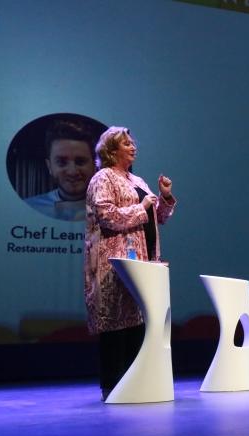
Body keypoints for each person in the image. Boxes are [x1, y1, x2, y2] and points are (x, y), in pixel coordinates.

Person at [84, 126, 176, 401]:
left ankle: (136, 382)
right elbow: (106, 215)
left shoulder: (138, 181)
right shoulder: (103, 178)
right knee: (114, 324)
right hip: (115, 262)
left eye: (132, 142)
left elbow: (159, 218)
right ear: (111, 150)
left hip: (144, 261)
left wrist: (165, 197)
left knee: (137, 321)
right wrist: (143, 207)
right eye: (126, 143)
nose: (133, 146)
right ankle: (112, 386)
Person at [25, 120, 98, 221]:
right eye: (62, 162)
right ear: (49, 166)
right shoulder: (28, 208)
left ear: (95, 165)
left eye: (80, 162)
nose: (72, 172)